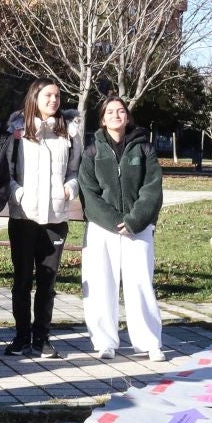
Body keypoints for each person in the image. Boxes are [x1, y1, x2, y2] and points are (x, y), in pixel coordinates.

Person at [0, 81, 81, 358]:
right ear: (35, 97)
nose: (53, 100)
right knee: (22, 280)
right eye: (47, 95)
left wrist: (70, 188)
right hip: (24, 217)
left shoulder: (68, 131)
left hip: (55, 218)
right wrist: (20, 195)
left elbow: (75, 170)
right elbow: (8, 171)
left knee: (47, 281)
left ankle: (42, 337)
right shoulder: (17, 130)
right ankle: (21, 337)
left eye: (57, 96)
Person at [79, 95, 166, 362]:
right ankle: (105, 341)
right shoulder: (92, 151)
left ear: (127, 116)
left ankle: (149, 342)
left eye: (121, 111)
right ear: (102, 119)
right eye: (110, 112)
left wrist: (133, 221)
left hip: (137, 228)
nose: (116, 115)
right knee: (101, 282)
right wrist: (114, 221)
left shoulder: (144, 149)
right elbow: (88, 193)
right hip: (102, 229)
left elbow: (152, 189)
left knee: (140, 283)